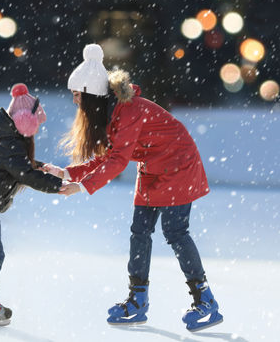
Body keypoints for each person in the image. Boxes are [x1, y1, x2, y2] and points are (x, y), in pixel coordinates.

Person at [46, 44, 223, 331]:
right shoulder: (109, 112)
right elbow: (106, 156)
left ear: (91, 94)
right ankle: (137, 300)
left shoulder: (129, 111)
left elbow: (117, 162)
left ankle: (205, 301)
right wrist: (67, 172)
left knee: (175, 232)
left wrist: (82, 187)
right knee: (139, 232)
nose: (75, 101)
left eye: (77, 95)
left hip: (179, 165)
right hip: (152, 168)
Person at [0, 83, 62, 326]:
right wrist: (56, 185)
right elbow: (23, 174)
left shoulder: (7, 138)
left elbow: (19, 166)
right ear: (24, 121)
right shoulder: (12, 143)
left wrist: (40, 167)